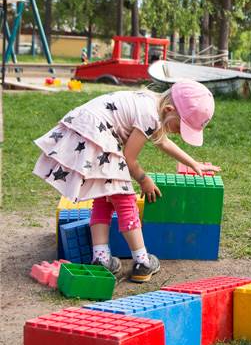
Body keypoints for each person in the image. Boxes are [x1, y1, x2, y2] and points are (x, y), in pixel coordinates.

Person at [33, 80, 219, 282]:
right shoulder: (150, 115)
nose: (180, 133)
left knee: (103, 197)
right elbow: (129, 159)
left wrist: (193, 164)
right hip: (97, 135)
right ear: (169, 109)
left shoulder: (150, 104)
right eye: (180, 126)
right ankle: (142, 261)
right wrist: (143, 179)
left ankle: (101, 258)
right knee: (125, 200)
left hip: (88, 131)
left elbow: (163, 142)